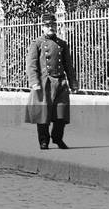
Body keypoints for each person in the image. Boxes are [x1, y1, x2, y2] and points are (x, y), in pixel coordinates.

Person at [25, 14, 79, 150]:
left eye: (53, 25)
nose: (51, 28)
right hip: (44, 83)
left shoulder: (62, 44)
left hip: (60, 82)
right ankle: (44, 141)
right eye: (48, 26)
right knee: (43, 115)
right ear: (42, 27)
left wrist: (73, 83)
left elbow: (68, 65)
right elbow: (31, 65)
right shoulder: (36, 43)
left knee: (61, 113)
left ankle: (57, 138)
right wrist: (34, 82)